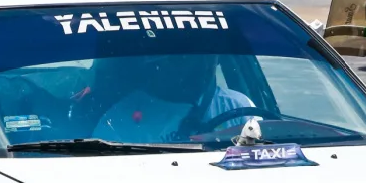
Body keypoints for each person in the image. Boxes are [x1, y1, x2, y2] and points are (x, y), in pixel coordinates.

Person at [91, 54, 256, 143]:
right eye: (192, 58)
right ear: (164, 62)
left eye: (210, 56)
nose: (204, 66)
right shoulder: (121, 119)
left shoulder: (238, 106)